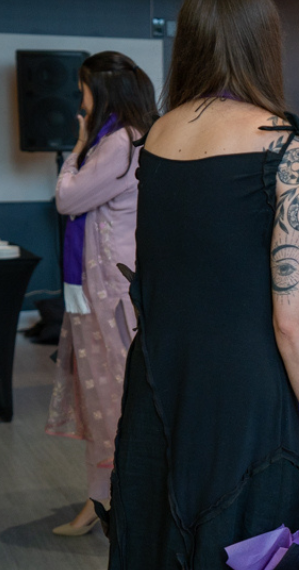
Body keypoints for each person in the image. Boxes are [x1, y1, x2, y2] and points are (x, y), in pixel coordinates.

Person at [106, 0, 299, 567]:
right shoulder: (289, 148)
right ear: (265, 44)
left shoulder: (160, 134)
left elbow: (190, 265)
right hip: (242, 398)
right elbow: (295, 322)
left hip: (159, 382)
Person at [45, 51, 156, 537]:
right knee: (105, 396)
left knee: (112, 397)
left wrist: (80, 143)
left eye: (84, 88)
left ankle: (112, 501)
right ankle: (105, 497)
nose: (80, 99)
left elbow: (67, 197)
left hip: (110, 290)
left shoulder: (117, 143)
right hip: (104, 284)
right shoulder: (128, 138)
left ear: (102, 91)